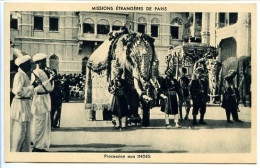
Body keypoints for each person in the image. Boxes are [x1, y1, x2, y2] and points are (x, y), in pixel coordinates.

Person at [10, 55, 39, 152]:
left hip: (25, 104)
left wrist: (32, 87)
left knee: (26, 130)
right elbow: (18, 91)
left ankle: (24, 152)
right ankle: (15, 152)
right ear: (22, 65)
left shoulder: (24, 74)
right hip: (20, 104)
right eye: (28, 63)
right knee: (21, 131)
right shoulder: (19, 75)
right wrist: (32, 86)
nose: (30, 65)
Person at [31, 53, 54, 152]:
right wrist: (50, 80)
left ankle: (41, 144)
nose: (45, 63)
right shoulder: (35, 73)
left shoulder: (43, 72)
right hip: (39, 100)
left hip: (44, 99)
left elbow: (49, 88)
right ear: (38, 63)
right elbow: (35, 88)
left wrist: (51, 80)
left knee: (44, 123)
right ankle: (37, 146)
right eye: (43, 61)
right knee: (39, 123)